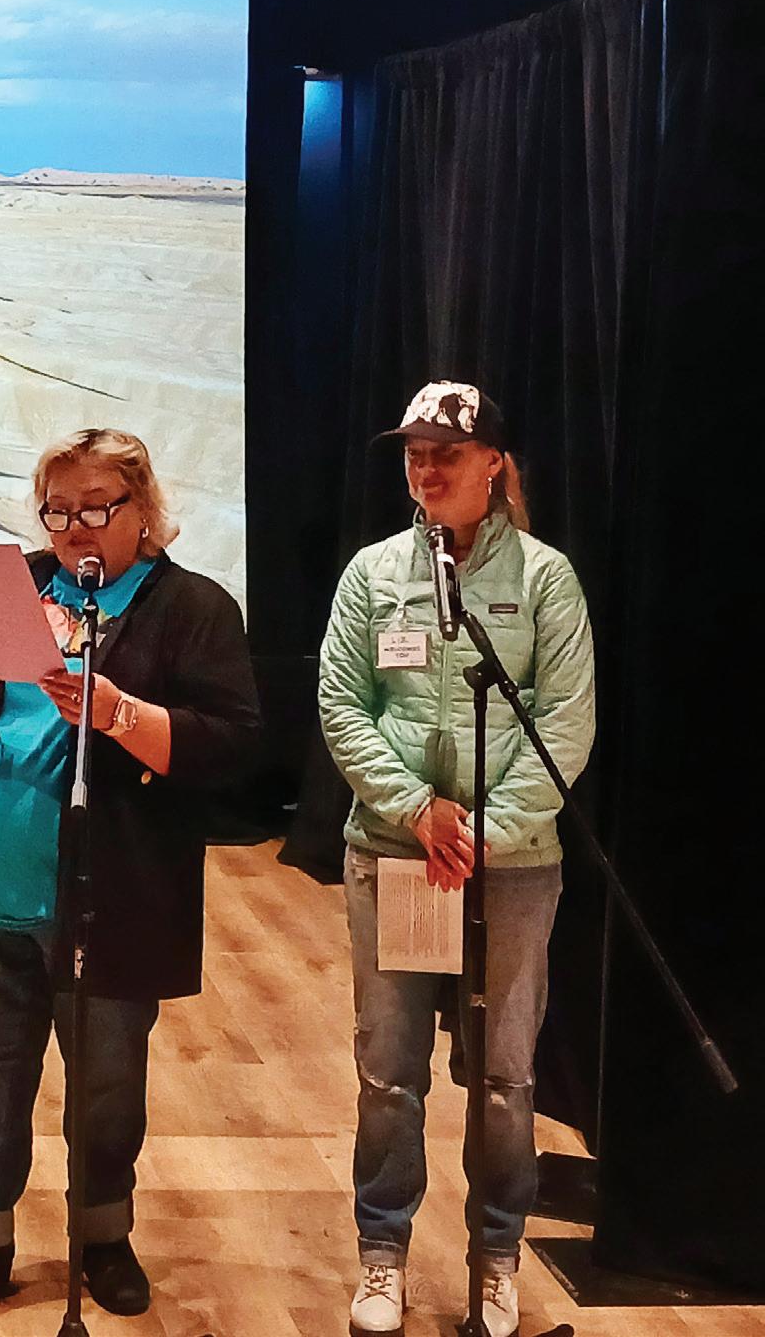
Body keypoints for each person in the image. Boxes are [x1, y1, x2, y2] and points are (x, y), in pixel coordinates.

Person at [0, 427, 260, 1324]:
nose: (74, 530)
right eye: (58, 511)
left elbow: (230, 747)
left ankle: (102, 1239)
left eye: (96, 509)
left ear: (144, 510)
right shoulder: (14, 587)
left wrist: (118, 714)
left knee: (106, 1090)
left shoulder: (191, 608)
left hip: (112, 899)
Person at [317, 381, 595, 1337]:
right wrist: (415, 809)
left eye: (446, 453)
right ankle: (383, 1255)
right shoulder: (373, 573)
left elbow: (564, 723)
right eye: (415, 454)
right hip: (397, 855)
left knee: (505, 1080)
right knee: (390, 1071)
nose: (427, 469)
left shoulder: (546, 579)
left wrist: (483, 831)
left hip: (508, 868)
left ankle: (496, 1260)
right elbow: (343, 706)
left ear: (493, 464)